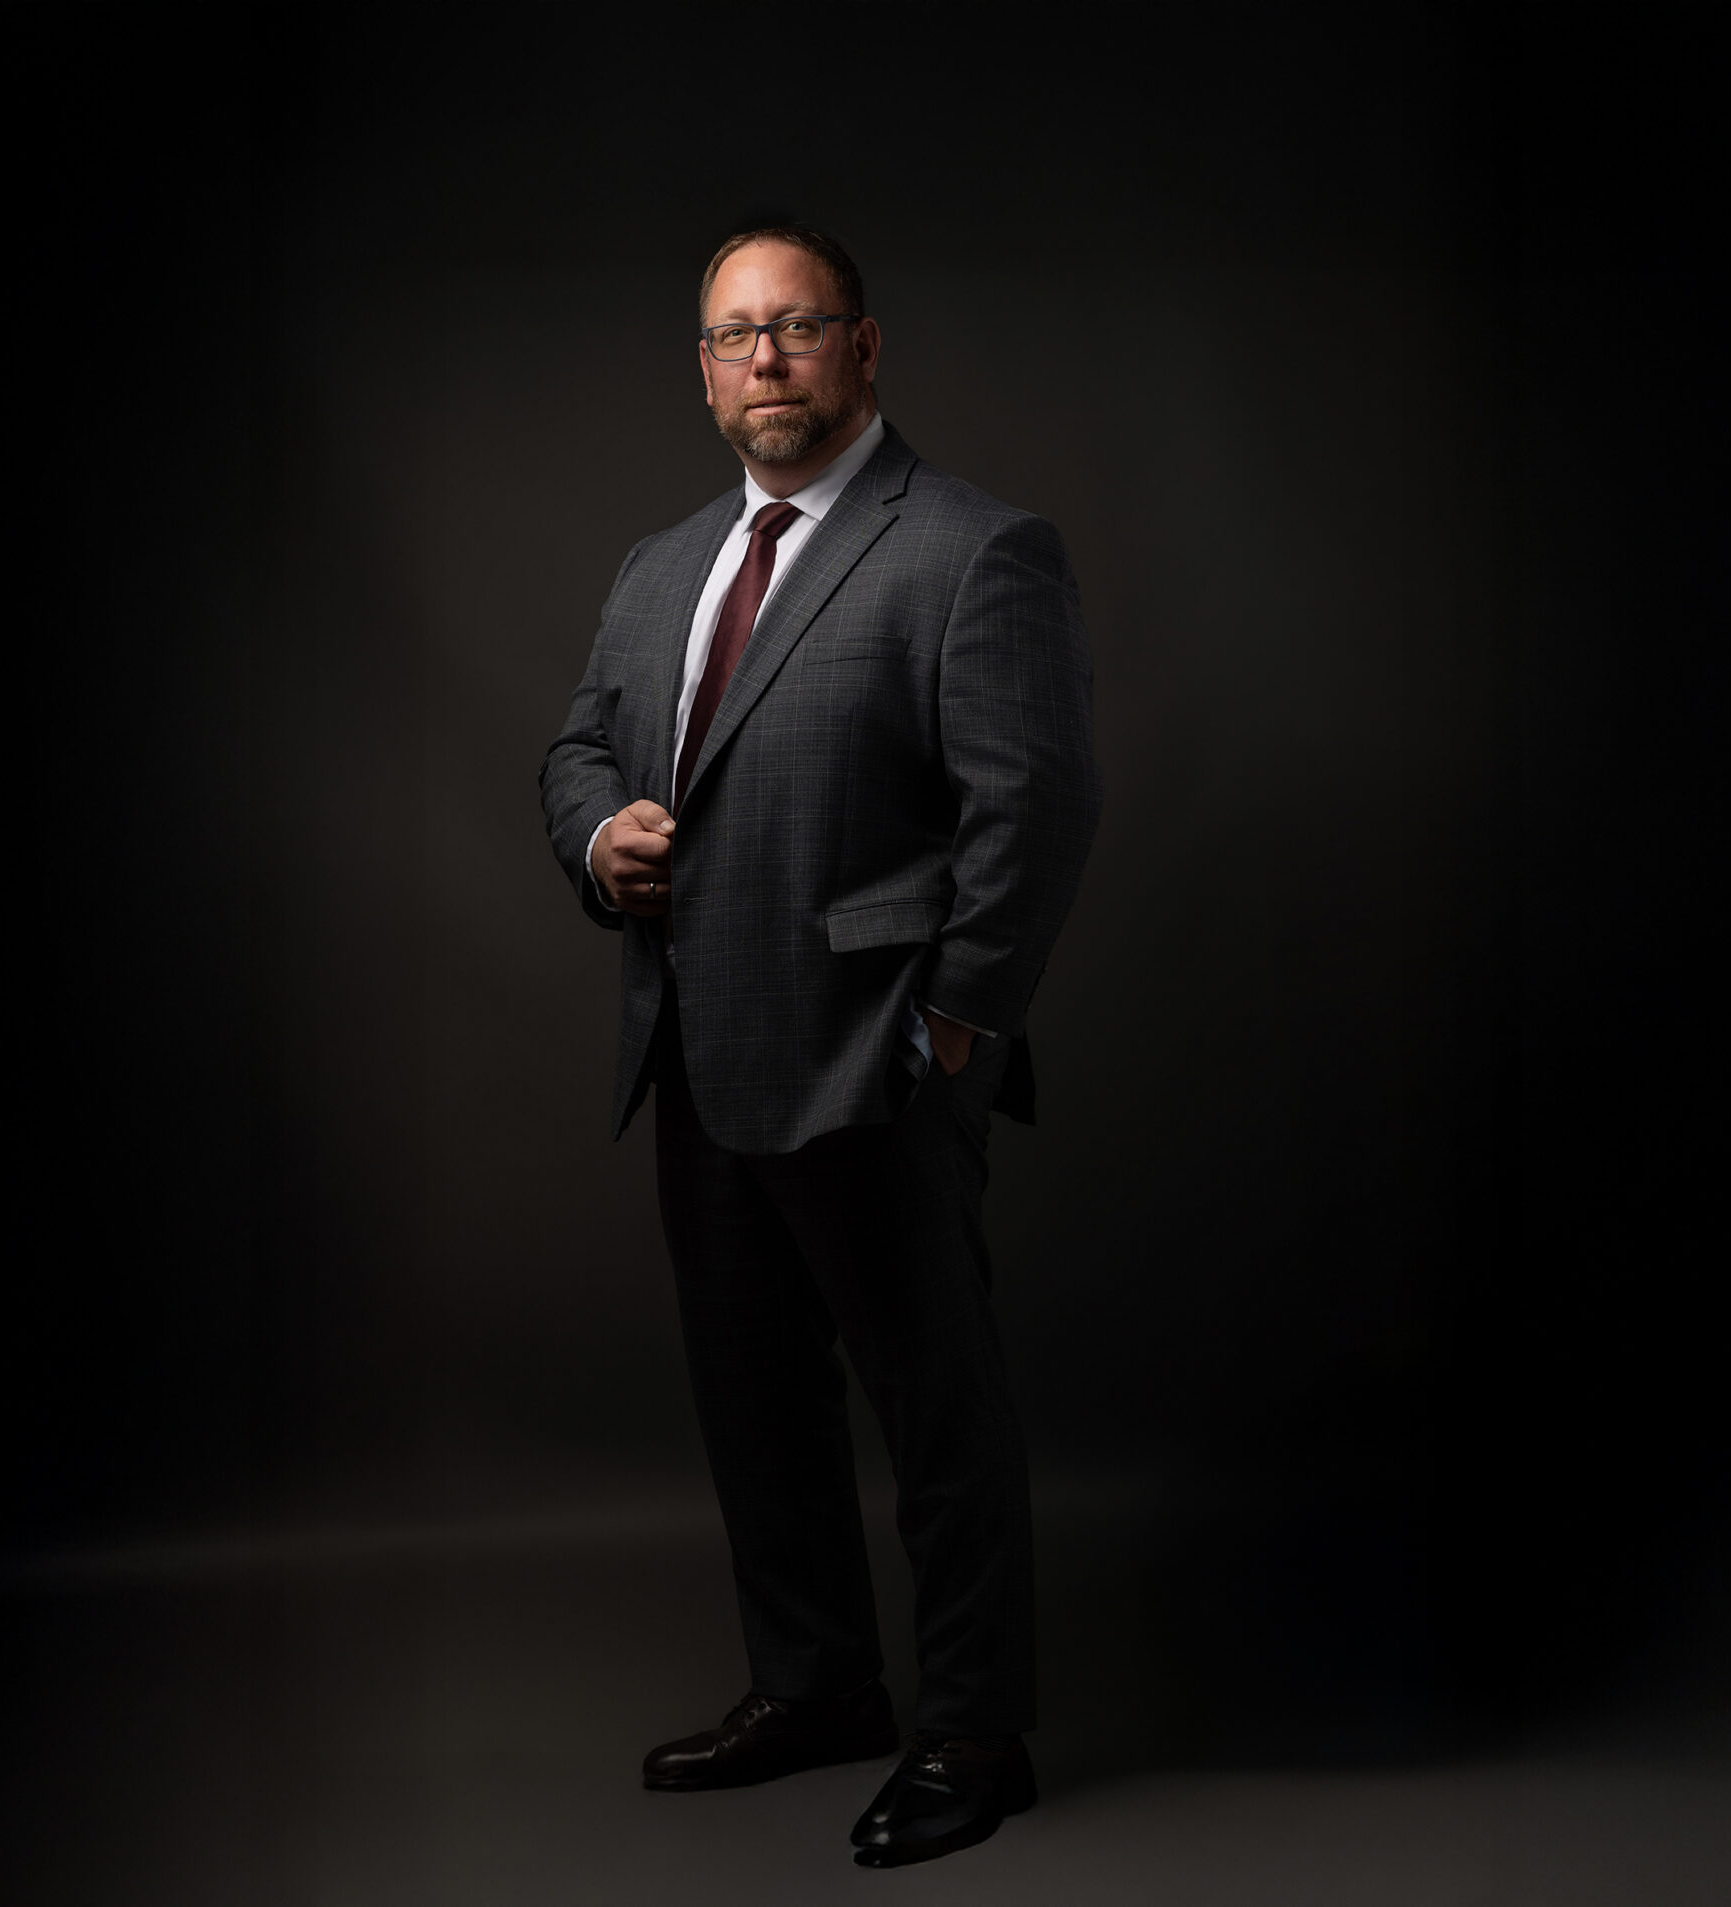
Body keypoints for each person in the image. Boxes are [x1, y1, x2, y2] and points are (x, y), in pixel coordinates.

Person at [538, 224, 1100, 1869]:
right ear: (705, 369)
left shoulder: (976, 549)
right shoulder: (662, 565)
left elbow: (1034, 808)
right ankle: (818, 1686)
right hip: (695, 1047)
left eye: (796, 325)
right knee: (755, 1402)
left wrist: (955, 1027)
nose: (764, 358)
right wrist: (601, 842)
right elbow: (578, 749)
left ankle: (976, 1733)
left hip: (877, 1055)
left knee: (936, 1411)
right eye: (734, 334)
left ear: (864, 345)